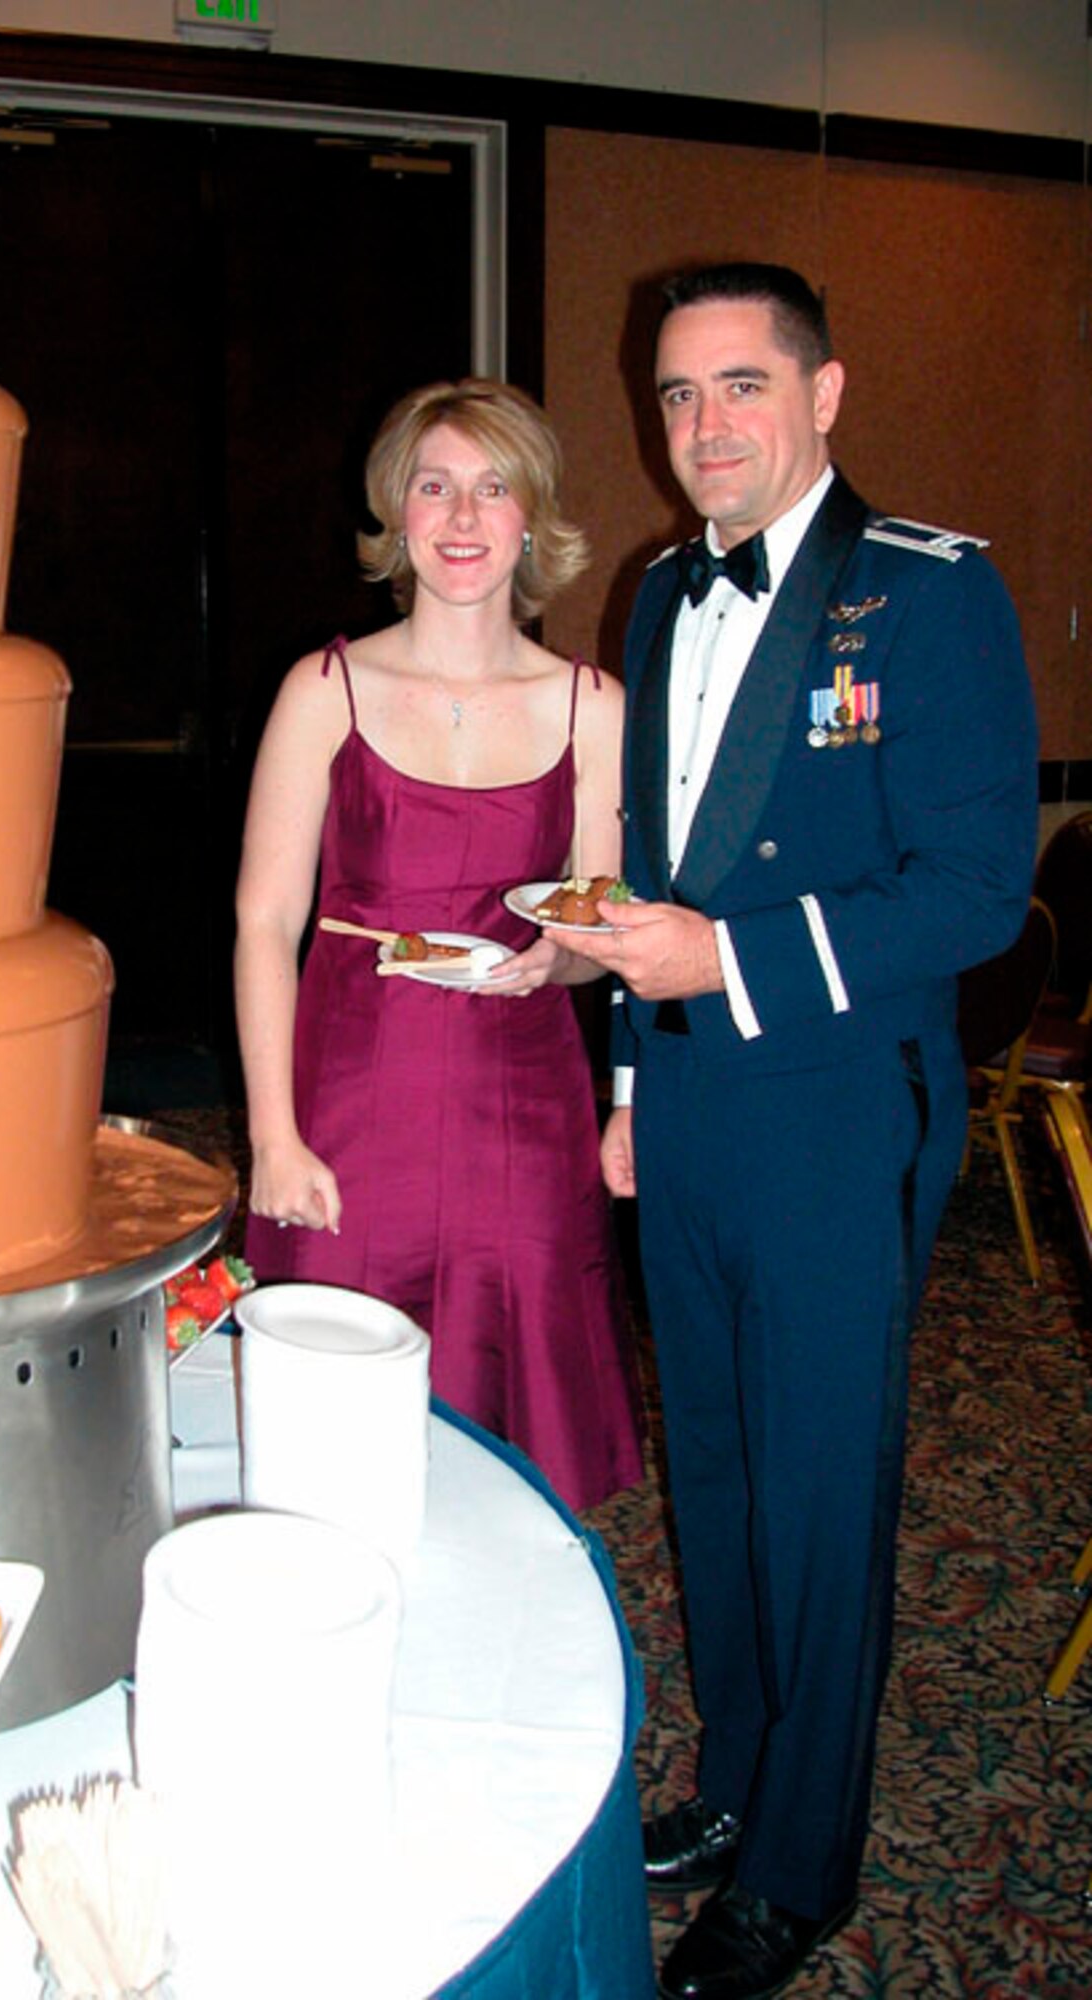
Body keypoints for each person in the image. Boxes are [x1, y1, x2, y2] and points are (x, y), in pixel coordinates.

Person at [552, 264, 1039, 1999]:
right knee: (724, 1465)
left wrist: (731, 963)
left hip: (838, 1102)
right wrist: (623, 1085)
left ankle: (809, 1864)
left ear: (824, 396)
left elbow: (979, 890)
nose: (705, 428)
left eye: (741, 387)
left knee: (822, 1489)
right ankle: (744, 1784)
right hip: (683, 1104)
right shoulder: (657, 593)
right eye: (678, 396)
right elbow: (653, 877)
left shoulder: (931, 594)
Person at [233, 377, 644, 1512]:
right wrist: (272, 1133)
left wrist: (555, 959)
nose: (462, 518)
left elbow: (595, 925)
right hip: (350, 1103)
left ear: (530, 517)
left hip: (521, 1110)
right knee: (331, 1425)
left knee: (515, 1414)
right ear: (397, 513)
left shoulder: (591, 707)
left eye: (492, 488)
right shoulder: (323, 689)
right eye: (434, 486)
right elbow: (263, 923)